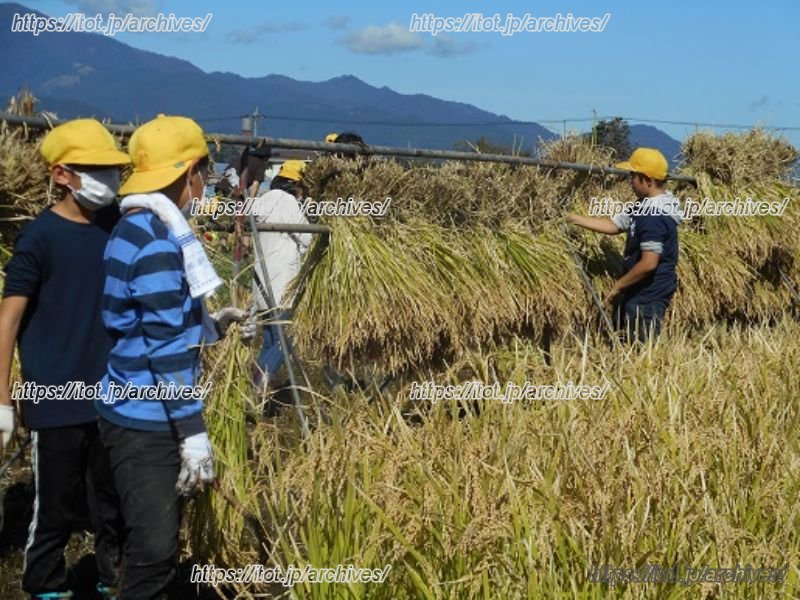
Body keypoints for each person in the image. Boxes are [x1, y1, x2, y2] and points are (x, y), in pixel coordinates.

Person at [96, 114, 242, 599]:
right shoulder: (158, 242)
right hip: (147, 421)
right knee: (155, 553)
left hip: (127, 407)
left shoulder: (130, 226)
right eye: (204, 170)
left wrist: (212, 328)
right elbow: (161, 348)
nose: (204, 183)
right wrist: (194, 434)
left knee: (139, 543)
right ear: (190, 172)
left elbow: (145, 323)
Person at [0, 118, 127, 599]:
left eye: (112, 169)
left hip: (111, 392)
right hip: (54, 393)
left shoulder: (117, 228)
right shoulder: (39, 238)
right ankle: (46, 583)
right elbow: (8, 320)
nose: (108, 179)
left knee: (110, 502)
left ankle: (112, 580)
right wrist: (4, 400)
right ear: (61, 174)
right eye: (94, 169)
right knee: (53, 504)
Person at [566, 148, 682, 342]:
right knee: (625, 336)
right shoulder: (643, 206)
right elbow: (614, 225)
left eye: (633, 176)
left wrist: (618, 287)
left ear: (648, 180)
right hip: (639, 287)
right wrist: (573, 218)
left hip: (649, 291)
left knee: (640, 345)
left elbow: (649, 263)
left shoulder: (654, 216)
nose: (630, 181)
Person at [243, 160, 312, 394]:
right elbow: (306, 238)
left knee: (272, 338)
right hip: (283, 283)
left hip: (261, 282)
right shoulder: (289, 203)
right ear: (296, 185)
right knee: (285, 340)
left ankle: (257, 386)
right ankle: (258, 384)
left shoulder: (262, 201)